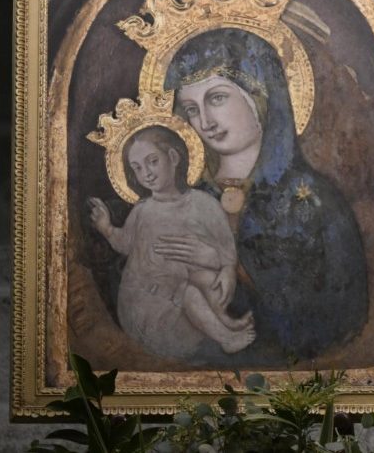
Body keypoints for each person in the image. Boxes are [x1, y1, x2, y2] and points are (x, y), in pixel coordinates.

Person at [162, 28, 368, 362]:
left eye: (216, 98)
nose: (205, 122)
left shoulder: (315, 202)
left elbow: (340, 314)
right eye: (191, 108)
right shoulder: (183, 198)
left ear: (260, 96)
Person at [89, 126, 256, 359]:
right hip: (147, 302)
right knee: (188, 292)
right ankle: (226, 338)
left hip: (181, 293)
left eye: (152, 161)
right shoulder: (142, 211)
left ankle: (226, 322)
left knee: (206, 279)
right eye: (137, 168)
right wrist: (106, 228)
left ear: (174, 158)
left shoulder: (204, 204)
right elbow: (125, 244)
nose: (146, 173)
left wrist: (227, 269)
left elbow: (226, 246)